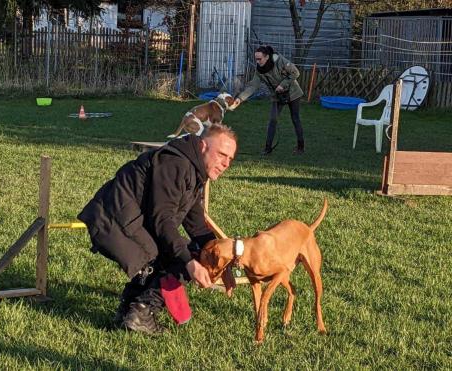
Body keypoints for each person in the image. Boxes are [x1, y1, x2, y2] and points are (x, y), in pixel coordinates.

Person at [77, 124, 238, 334]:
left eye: (230, 159)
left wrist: (217, 258)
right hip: (112, 222)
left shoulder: (193, 169)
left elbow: (194, 219)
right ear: (202, 146)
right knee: (178, 258)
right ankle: (141, 311)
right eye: (221, 155)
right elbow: (162, 220)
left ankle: (128, 311)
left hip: (129, 222)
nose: (226, 163)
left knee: (189, 253)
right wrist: (190, 262)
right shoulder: (175, 164)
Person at [232, 45, 305, 155]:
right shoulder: (259, 70)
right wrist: (240, 98)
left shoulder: (280, 61)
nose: (257, 61)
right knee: (272, 120)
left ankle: (300, 147)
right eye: (256, 59)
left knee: (295, 119)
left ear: (266, 57)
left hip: (293, 93)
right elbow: (253, 86)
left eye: (259, 59)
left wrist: (282, 85)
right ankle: (267, 148)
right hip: (277, 96)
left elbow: (295, 72)